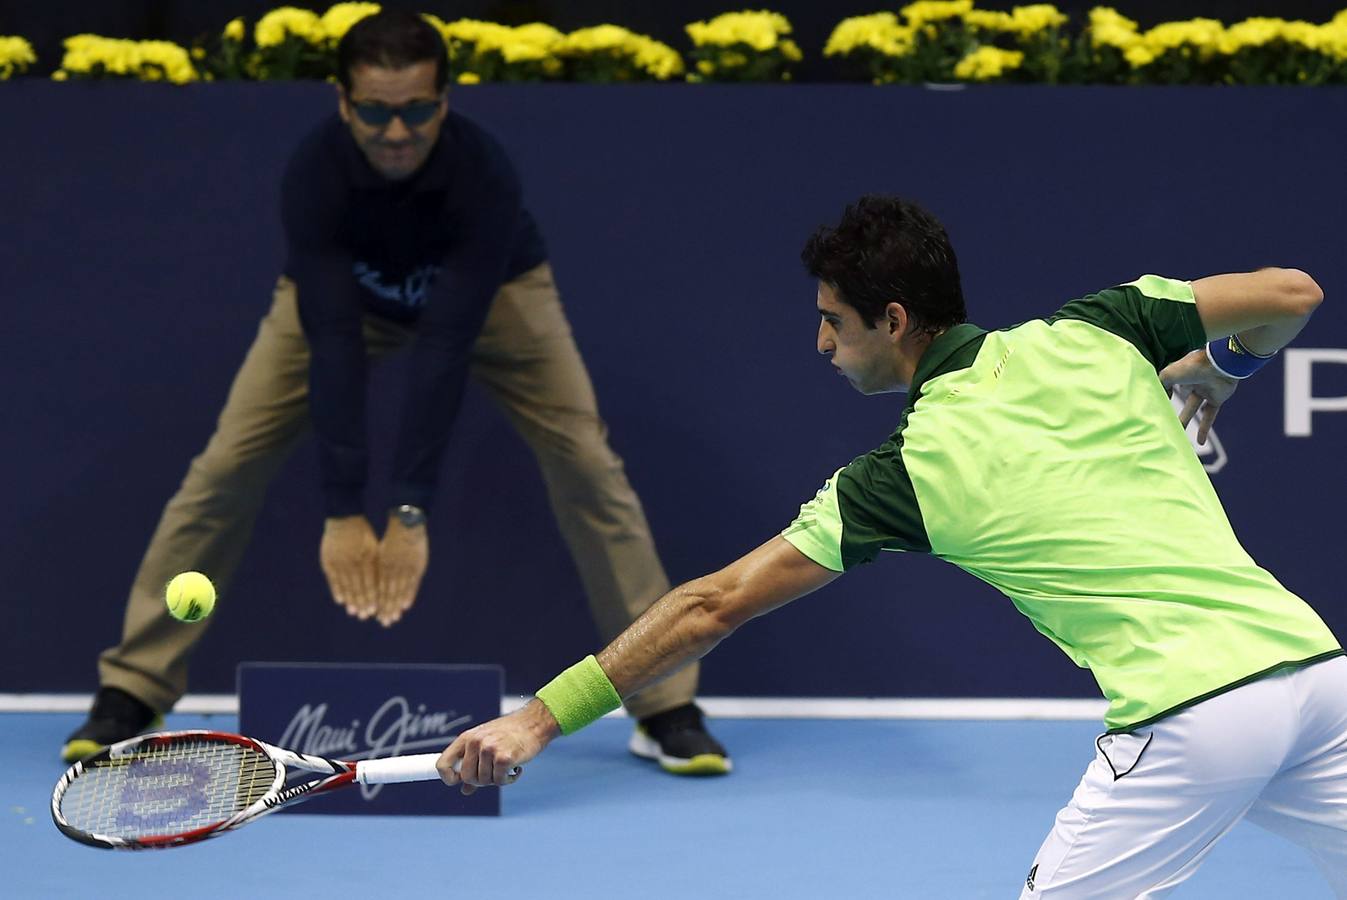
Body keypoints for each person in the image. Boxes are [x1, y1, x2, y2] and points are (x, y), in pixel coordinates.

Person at [436, 195, 1347, 897]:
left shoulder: (903, 475)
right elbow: (1292, 295)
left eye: (833, 319)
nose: (821, 341)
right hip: (1314, 678)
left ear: (896, 320)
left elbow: (709, 606)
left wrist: (537, 718)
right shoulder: (1099, 331)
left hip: (1188, 714)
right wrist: (1221, 372)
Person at [62, 9, 730, 777]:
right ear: (344, 103)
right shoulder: (315, 173)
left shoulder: (483, 173)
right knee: (223, 466)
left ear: (443, 100)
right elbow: (335, 345)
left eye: (417, 109)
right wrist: (346, 508)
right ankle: (133, 691)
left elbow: (445, 344)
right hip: (344, 303)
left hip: (496, 298)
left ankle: (664, 703)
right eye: (375, 111)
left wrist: (407, 508)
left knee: (588, 466)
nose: (396, 130)